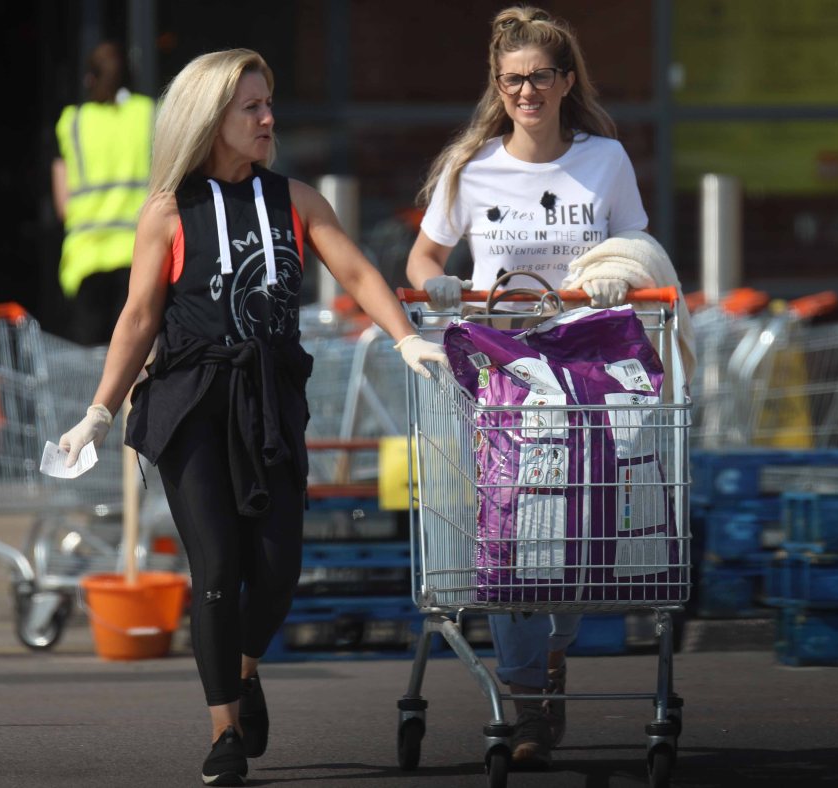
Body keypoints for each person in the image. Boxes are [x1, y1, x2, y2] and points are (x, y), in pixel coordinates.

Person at [57, 48, 447, 786]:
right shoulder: (167, 212)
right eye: (251, 108)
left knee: (276, 572)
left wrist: (407, 338)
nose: (268, 118)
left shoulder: (294, 200)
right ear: (212, 118)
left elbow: (358, 270)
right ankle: (223, 732)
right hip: (190, 403)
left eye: (269, 105)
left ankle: (243, 665)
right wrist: (98, 414)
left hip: (269, 401)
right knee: (216, 569)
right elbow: (139, 317)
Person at [406, 5, 693, 769]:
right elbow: (422, 259)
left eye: (538, 78)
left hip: (588, 368)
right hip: (503, 373)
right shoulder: (471, 169)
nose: (524, 92)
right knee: (510, 527)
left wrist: (617, 283)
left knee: (572, 532)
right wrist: (443, 289)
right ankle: (525, 695)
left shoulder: (603, 161)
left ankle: (551, 654)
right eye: (510, 81)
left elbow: (636, 248)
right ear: (496, 88)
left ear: (566, 82)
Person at [52, 41, 155, 345]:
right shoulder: (149, 114)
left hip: (86, 257)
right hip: (140, 255)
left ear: (89, 79)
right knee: (136, 354)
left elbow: (62, 205)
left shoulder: (72, 122)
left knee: (90, 363)